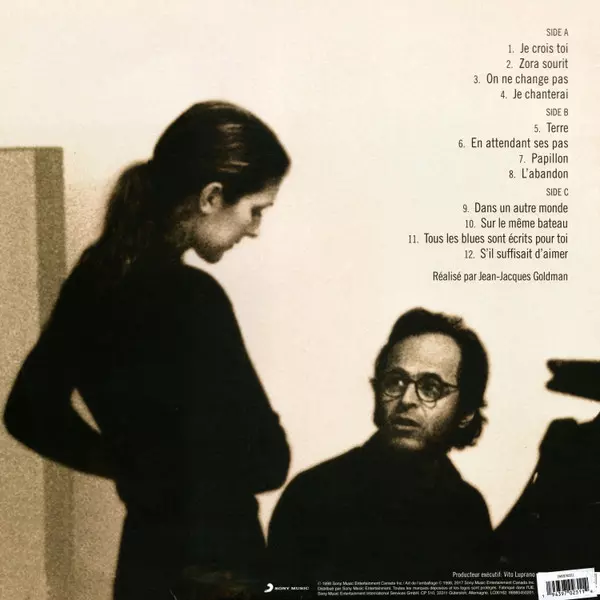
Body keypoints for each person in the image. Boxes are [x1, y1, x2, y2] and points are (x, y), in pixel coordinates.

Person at [4, 101, 292, 599]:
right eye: (255, 210)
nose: (254, 229)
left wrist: (126, 465)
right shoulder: (196, 299)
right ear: (212, 196)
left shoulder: (95, 280)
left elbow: (28, 411)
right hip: (223, 567)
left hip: (145, 562)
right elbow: (269, 460)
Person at [268, 308, 492, 583]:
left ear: (466, 412)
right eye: (395, 382)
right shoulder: (313, 495)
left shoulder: (468, 510)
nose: (406, 399)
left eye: (430, 387)